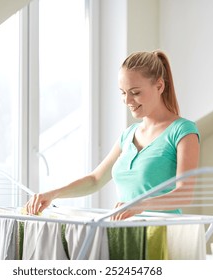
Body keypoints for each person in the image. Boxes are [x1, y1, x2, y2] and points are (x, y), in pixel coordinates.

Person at [25, 50, 200, 220]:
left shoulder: (183, 131)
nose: (127, 101)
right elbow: (95, 180)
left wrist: (139, 204)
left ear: (159, 86)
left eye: (135, 92)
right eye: (123, 93)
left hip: (164, 236)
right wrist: (53, 194)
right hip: (124, 234)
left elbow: (184, 194)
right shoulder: (128, 135)